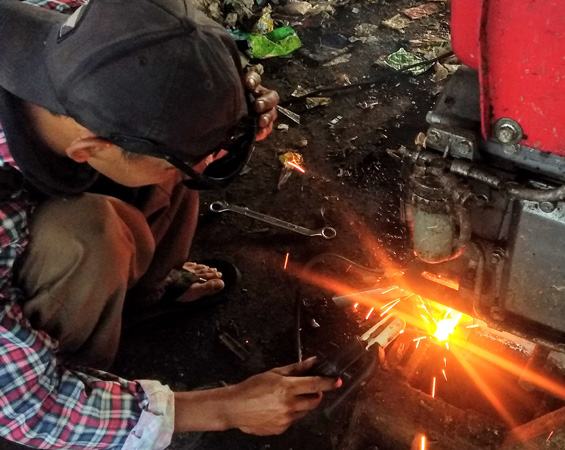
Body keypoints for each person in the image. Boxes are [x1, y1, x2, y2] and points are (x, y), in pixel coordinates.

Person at [0, 0, 340, 448]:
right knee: (88, 235)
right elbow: (28, 407)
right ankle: (83, 384)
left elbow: (168, 79)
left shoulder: (87, 27)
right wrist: (223, 408)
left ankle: (142, 291)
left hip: (72, 175)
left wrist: (231, 109)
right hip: (15, 392)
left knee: (179, 151)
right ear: (88, 149)